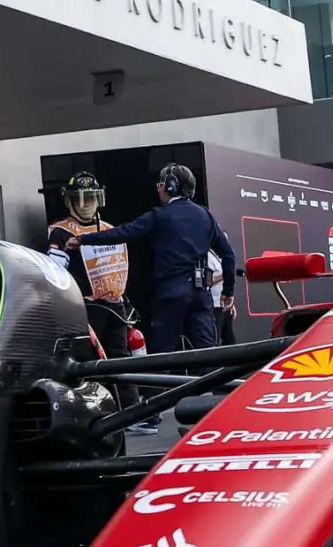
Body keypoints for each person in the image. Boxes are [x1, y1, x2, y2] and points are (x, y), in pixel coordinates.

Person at [67, 162, 235, 356]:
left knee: (161, 357)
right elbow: (229, 255)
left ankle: (167, 388)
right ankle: (212, 387)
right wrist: (228, 292)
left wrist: (83, 239)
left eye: (161, 184)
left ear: (170, 186)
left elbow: (124, 233)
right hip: (200, 294)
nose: (158, 188)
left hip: (171, 295)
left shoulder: (160, 216)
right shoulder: (205, 215)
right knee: (208, 354)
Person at [46, 172, 152, 430]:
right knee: (87, 363)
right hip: (84, 307)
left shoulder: (109, 229)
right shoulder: (60, 231)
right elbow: (54, 271)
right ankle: (96, 417)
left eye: (90, 198)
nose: (85, 204)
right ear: (69, 202)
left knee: (120, 359)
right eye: (79, 199)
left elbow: (121, 267)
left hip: (115, 306)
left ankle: (131, 415)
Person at [208, 230, 236, 345]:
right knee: (214, 340)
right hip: (213, 305)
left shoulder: (222, 259)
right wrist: (224, 276)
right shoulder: (207, 256)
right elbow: (206, 281)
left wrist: (232, 305)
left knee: (230, 340)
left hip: (224, 305)